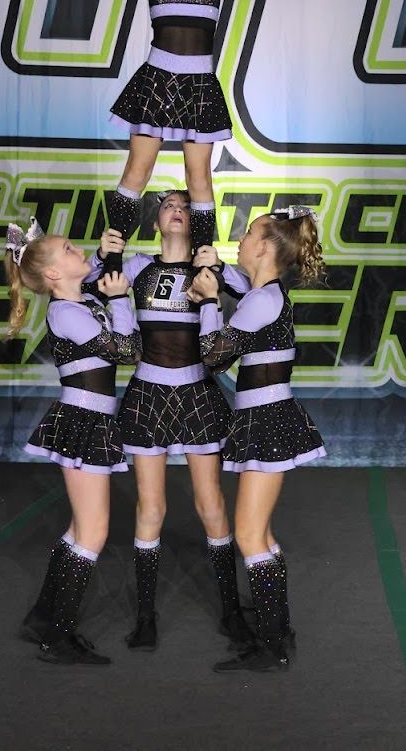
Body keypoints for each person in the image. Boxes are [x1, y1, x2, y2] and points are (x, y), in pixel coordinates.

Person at [88, 191, 248, 651]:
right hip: (148, 395)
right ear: (155, 221)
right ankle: (145, 616)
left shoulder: (208, 266)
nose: (176, 208)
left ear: (192, 221)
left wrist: (217, 266)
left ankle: (232, 611)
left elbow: (254, 285)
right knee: (151, 509)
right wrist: (102, 253)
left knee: (211, 506)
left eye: (183, 203)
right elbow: (85, 283)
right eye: (166, 205)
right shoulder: (136, 266)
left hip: (199, 392)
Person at [187, 206, 327, 671]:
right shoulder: (263, 292)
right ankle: (277, 630)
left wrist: (208, 300)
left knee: (248, 533)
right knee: (260, 533)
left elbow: (212, 356)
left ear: (264, 248)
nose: (241, 240)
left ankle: (271, 646)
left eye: (248, 235)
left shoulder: (263, 301)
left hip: (266, 420)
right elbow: (238, 283)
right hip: (263, 417)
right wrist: (215, 271)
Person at [6, 220, 139, 665]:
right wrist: (121, 300)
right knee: (94, 531)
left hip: (91, 418)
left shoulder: (79, 300)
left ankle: (44, 617)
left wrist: (102, 256)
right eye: (68, 249)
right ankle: (58, 638)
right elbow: (124, 350)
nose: (76, 248)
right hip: (82, 421)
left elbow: (96, 276)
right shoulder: (65, 312)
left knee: (80, 529)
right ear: (51, 275)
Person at [103, 0, 260, 272]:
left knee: (199, 177)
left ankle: (203, 259)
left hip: (199, 86)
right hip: (156, 80)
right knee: (136, 172)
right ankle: (111, 256)